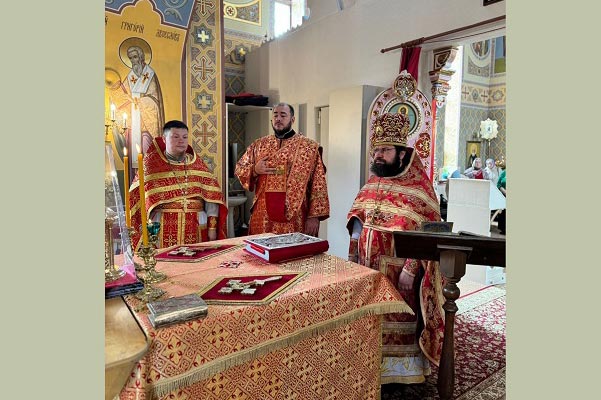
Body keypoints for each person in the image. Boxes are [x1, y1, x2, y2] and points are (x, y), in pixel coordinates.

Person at [347, 113, 445, 384]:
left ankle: (401, 372)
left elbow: (428, 232)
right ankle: (370, 364)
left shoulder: (420, 187)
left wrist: (413, 269)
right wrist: (353, 255)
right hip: (368, 267)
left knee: (398, 318)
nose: (379, 155)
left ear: (402, 154)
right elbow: (357, 220)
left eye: (386, 150)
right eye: (377, 149)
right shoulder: (372, 182)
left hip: (400, 271)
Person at [234, 103, 330, 236]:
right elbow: (240, 168)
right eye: (275, 115)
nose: (278, 118)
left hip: (295, 215)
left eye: (283, 115)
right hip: (263, 215)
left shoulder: (308, 147)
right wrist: (255, 170)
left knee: (293, 254)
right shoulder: (259, 145)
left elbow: (318, 184)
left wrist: (314, 217)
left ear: (292, 119)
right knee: (261, 253)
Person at [129, 120, 227, 249]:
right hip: (162, 227)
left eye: (185, 137)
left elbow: (212, 199)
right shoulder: (151, 165)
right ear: (164, 139)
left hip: (196, 225)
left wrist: (212, 229)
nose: (181, 141)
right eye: (175, 137)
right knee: (165, 265)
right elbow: (138, 202)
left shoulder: (198, 165)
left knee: (197, 264)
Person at [497, 167, 506, 234]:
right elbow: (499, 184)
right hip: (504, 194)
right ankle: (503, 229)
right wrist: (504, 191)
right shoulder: (504, 172)